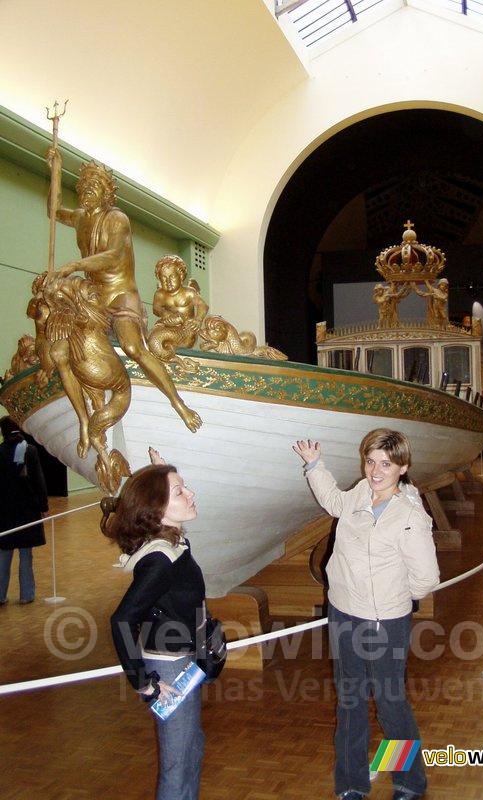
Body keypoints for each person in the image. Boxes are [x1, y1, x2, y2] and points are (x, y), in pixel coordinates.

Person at [293, 429, 439, 800]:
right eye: (371, 461)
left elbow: (426, 579)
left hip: (384, 623)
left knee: (390, 703)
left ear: (403, 467)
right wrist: (314, 465)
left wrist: (389, 601)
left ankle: (408, 781)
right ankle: (352, 783)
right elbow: (332, 501)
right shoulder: (360, 491)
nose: (375, 470)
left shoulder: (410, 516)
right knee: (350, 700)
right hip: (343, 614)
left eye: (386, 464)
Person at [46, 148, 201, 433]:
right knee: (65, 341)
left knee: (132, 347)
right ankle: (83, 408)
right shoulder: (81, 218)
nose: (87, 192)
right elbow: (54, 212)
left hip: (120, 295)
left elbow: (113, 255)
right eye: (83, 187)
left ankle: (179, 404)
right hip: (94, 297)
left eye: (94, 187)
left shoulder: (118, 219)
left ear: (106, 193)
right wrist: (56, 171)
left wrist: (74, 265)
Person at [101, 460, 205, 799]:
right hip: (170, 670)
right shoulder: (159, 560)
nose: (190, 493)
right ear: (157, 508)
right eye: (179, 491)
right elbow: (121, 619)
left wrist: (160, 471)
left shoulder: (170, 541)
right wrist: (144, 683)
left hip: (183, 662)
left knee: (191, 751)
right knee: (177, 766)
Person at [0, 417, 48, 605]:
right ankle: (26, 595)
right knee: (26, 554)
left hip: (4, 511)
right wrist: (43, 506)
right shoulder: (30, 451)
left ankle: (1, 595)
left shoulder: (0, 452)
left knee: (4, 554)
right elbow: (38, 481)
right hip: (27, 509)